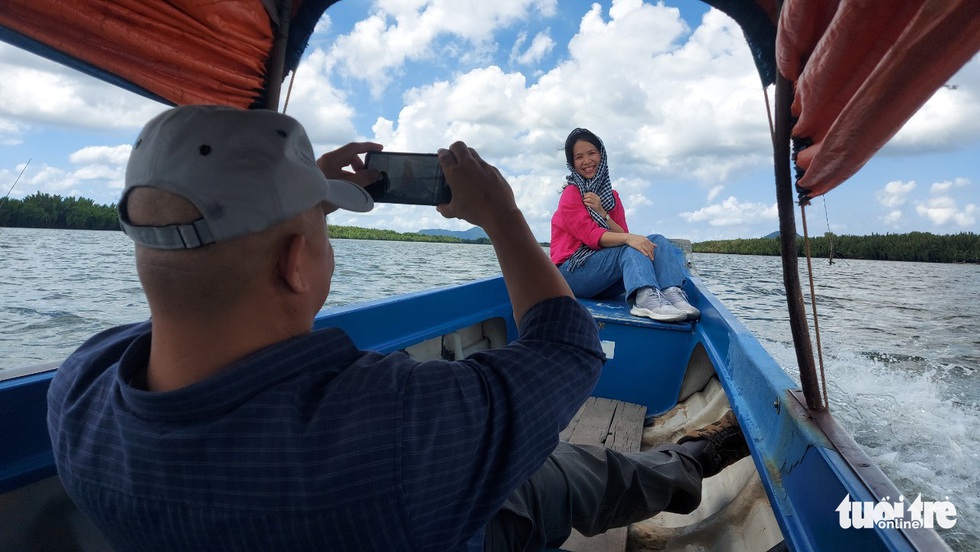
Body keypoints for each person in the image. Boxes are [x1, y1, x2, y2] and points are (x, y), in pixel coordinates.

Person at [47, 105, 748, 552]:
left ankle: (676, 470)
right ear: (297, 264)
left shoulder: (78, 395)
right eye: (319, 230)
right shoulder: (393, 426)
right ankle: (684, 470)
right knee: (555, 473)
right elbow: (568, 348)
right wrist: (502, 215)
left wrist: (289, 200)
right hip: (431, 519)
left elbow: (204, 275)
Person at [550, 128, 700, 322]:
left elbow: (621, 233)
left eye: (592, 153)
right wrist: (629, 239)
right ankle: (645, 299)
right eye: (579, 157)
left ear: (602, 156)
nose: (586, 161)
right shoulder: (571, 194)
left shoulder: (612, 197)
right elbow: (592, 237)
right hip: (572, 275)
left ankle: (671, 294)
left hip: (603, 280)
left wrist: (603, 212)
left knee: (657, 240)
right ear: (572, 163)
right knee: (629, 245)